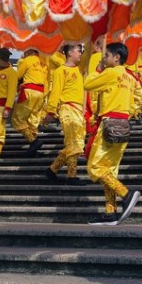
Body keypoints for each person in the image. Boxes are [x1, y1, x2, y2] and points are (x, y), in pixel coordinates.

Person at [85, 42, 141, 226]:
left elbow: (88, 84)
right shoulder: (129, 76)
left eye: (106, 55)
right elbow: (136, 101)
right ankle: (110, 211)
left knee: (95, 167)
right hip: (123, 124)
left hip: (109, 125)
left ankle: (125, 193)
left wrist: (98, 68)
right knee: (108, 170)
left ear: (116, 58)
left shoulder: (110, 73)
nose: (104, 58)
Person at [44, 43, 88, 183]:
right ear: (69, 53)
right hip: (68, 109)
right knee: (73, 143)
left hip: (78, 110)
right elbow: (55, 92)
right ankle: (71, 176)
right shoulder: (60, 71)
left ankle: (52, 170)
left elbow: (90, 54)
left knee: (77, 144)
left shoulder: (80, 69)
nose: (80, 53)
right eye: (78, 51)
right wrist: (50, 111)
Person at [13, 48, 48, 154]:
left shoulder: (27, 60)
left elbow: (17, 75)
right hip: (41, 93)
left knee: (17, 119)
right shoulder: (44, 63)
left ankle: (33, 141)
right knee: (33, 121)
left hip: (29, 91)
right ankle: (33, 149)